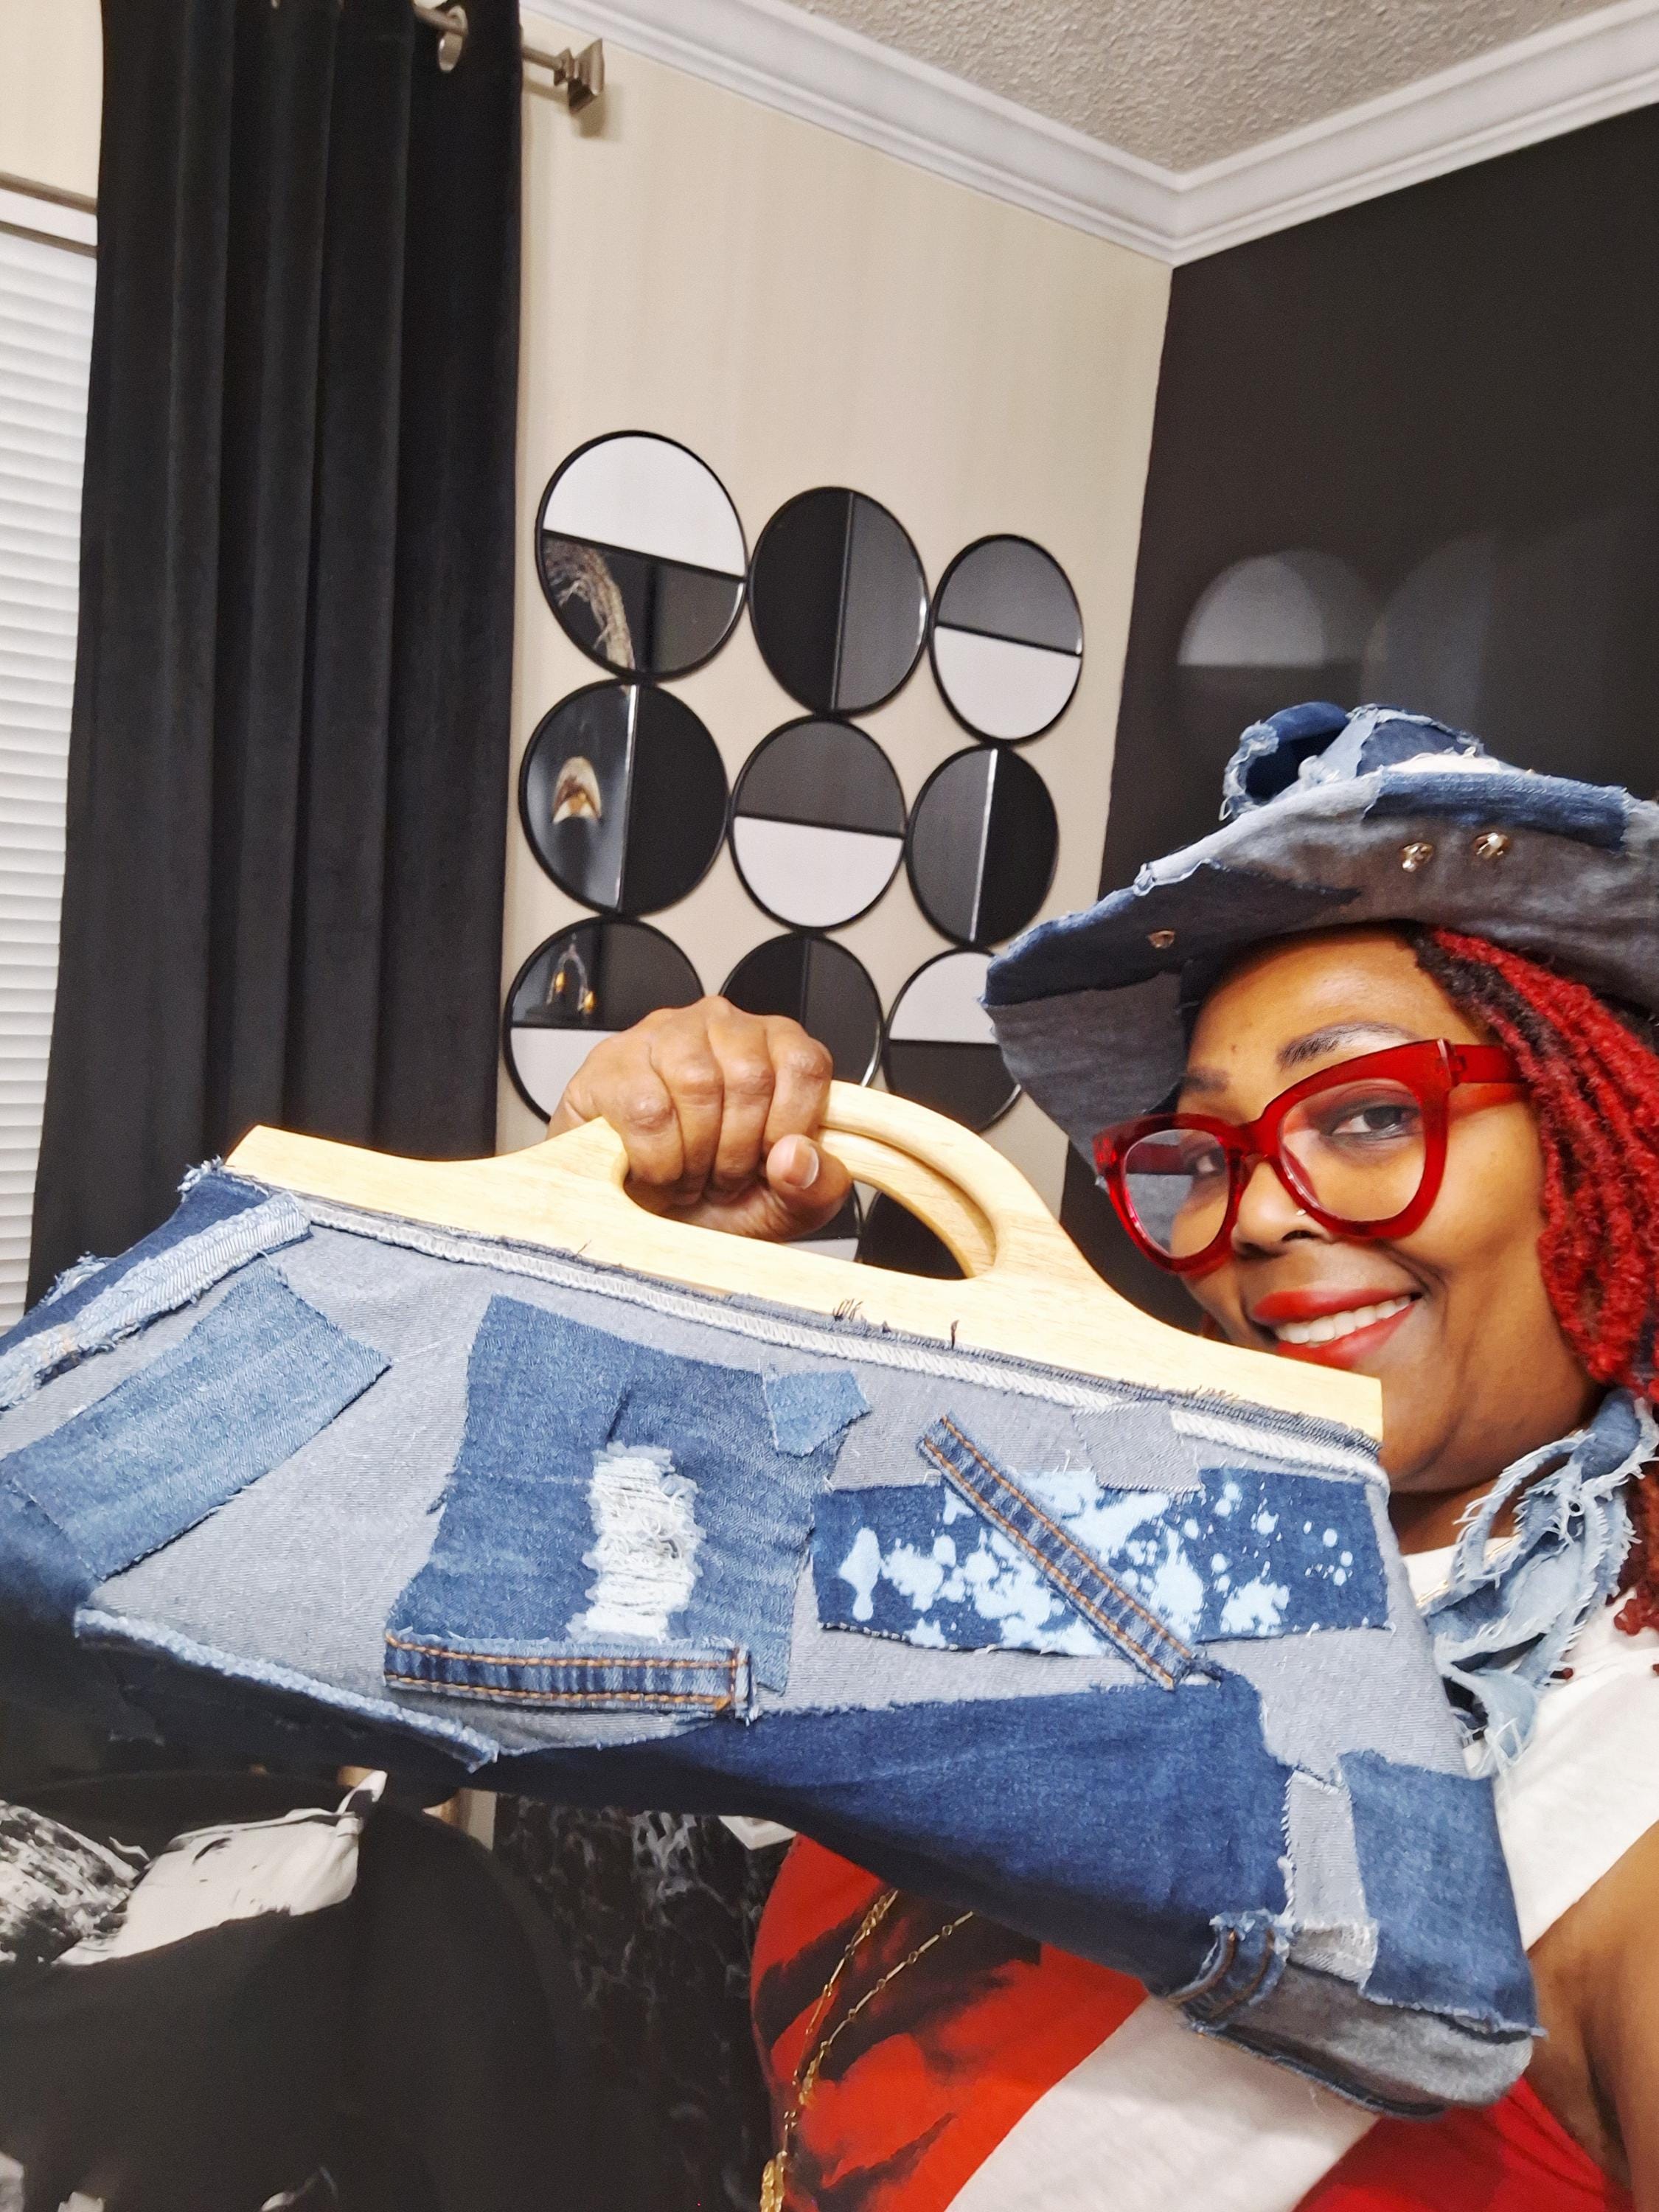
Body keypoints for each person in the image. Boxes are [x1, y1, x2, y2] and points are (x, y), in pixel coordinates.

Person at [547, 704, 1659, 2212]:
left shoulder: (1620, 1770)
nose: (1257, 1215)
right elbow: (584, 1622)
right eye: (1206, 1154)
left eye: (1368, 1114)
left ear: (1605, 1141)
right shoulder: (1078, 1543)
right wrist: (667, 1277)